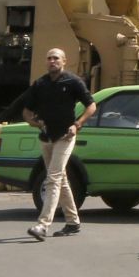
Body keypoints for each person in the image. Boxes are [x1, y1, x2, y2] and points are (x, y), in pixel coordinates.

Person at [17, 48, 96, 241]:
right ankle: (73, 221)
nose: (52, 61)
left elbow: (92, 106)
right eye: (49, 58)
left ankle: (42, 225)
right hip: (46, 138)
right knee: (61, 179)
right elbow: (26, 112)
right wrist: (35, 123)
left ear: (64, 61)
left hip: (65, 137)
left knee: (52, 178)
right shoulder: (41, 84)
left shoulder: (73, 81)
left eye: (56, 58)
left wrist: (77, 124)